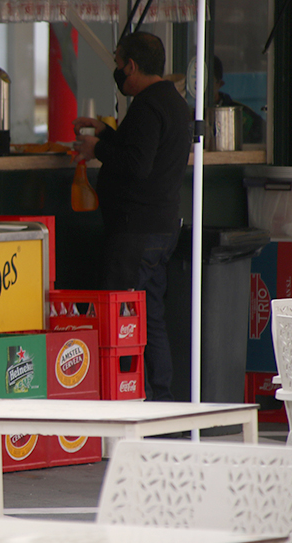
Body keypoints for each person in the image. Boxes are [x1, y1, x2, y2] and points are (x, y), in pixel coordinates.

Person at [73, 32, 191, 403]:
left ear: (132, 66)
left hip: (136, 233)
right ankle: (159, 397)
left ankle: (126, 397)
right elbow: (142, 149)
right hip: (160, 228)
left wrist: (97, 148)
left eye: (119, 62)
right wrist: (106, 131)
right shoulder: (170, 102)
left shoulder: (146, 106)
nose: (117, 70)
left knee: (121, 315)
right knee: (150, 313)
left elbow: (137, 164)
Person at [211, 55, 266, 145]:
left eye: (208, 82)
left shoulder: (243, 117)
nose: (200, 88)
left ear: (219, 84)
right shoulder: (185, 112)